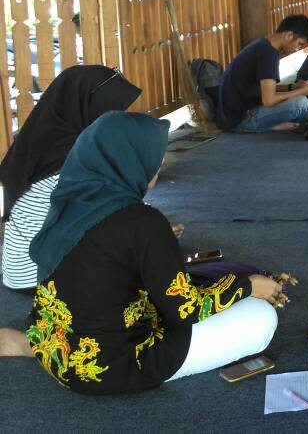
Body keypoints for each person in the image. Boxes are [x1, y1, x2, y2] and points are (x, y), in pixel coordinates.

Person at [0, 112, 284, 391]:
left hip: (53, 349)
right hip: (111, 369)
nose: (158, 168)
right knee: (261, 316)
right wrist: (248, 286)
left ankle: (28, 345)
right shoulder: (143, 222)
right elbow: (187, 310)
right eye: (155, 160)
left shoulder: (68, 200)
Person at [1, 65, 141, 290]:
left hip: (17, 271)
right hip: (44, 276)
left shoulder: (44, 140)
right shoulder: (76, 157)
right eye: (112, 111)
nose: (119, 119)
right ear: (88, 108)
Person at [217, 14, 308, 132]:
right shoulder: (268, 54)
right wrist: (301, 91)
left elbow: (269, 89)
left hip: (231, 114)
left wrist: (294, 87)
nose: (298, 49)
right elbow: (269, 100)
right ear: (289, 35)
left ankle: (272, 124)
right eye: (299, 44)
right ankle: (266, 126)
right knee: (302, 104)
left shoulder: (263, 44)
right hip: (239, 119)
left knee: (298, 98)